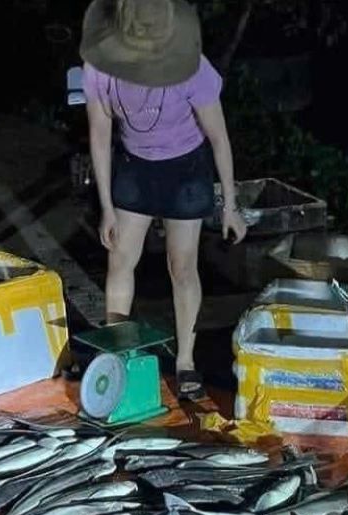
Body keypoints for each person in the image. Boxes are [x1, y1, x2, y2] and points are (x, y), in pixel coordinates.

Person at [80, 0, 247, 401]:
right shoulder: (100, 69)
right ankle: (117, 352)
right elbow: (99, 137)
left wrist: (230, 204)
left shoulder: (193, 67)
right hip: (134, 167)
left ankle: (186, 360)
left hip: (185, 169)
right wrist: (106, 207)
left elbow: (219, 137)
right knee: (120, 259)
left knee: (182, 265)